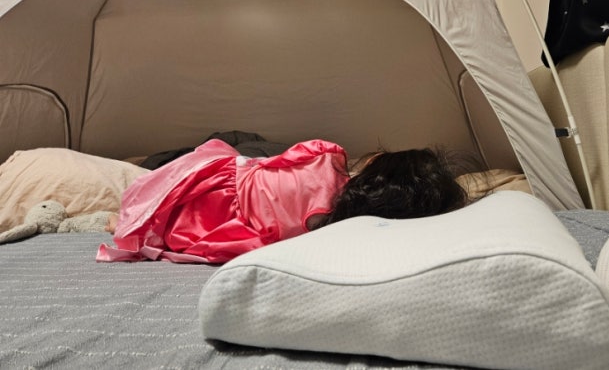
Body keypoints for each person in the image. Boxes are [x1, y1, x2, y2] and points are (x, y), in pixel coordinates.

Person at [97, 139, 467, 264]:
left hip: (212, 182)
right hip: (224, 228)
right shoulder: (331, 231)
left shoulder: (327, 155)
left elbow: (277, 161)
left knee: (208, 160)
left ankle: (133, 218)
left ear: (375, 163)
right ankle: (139, 226)